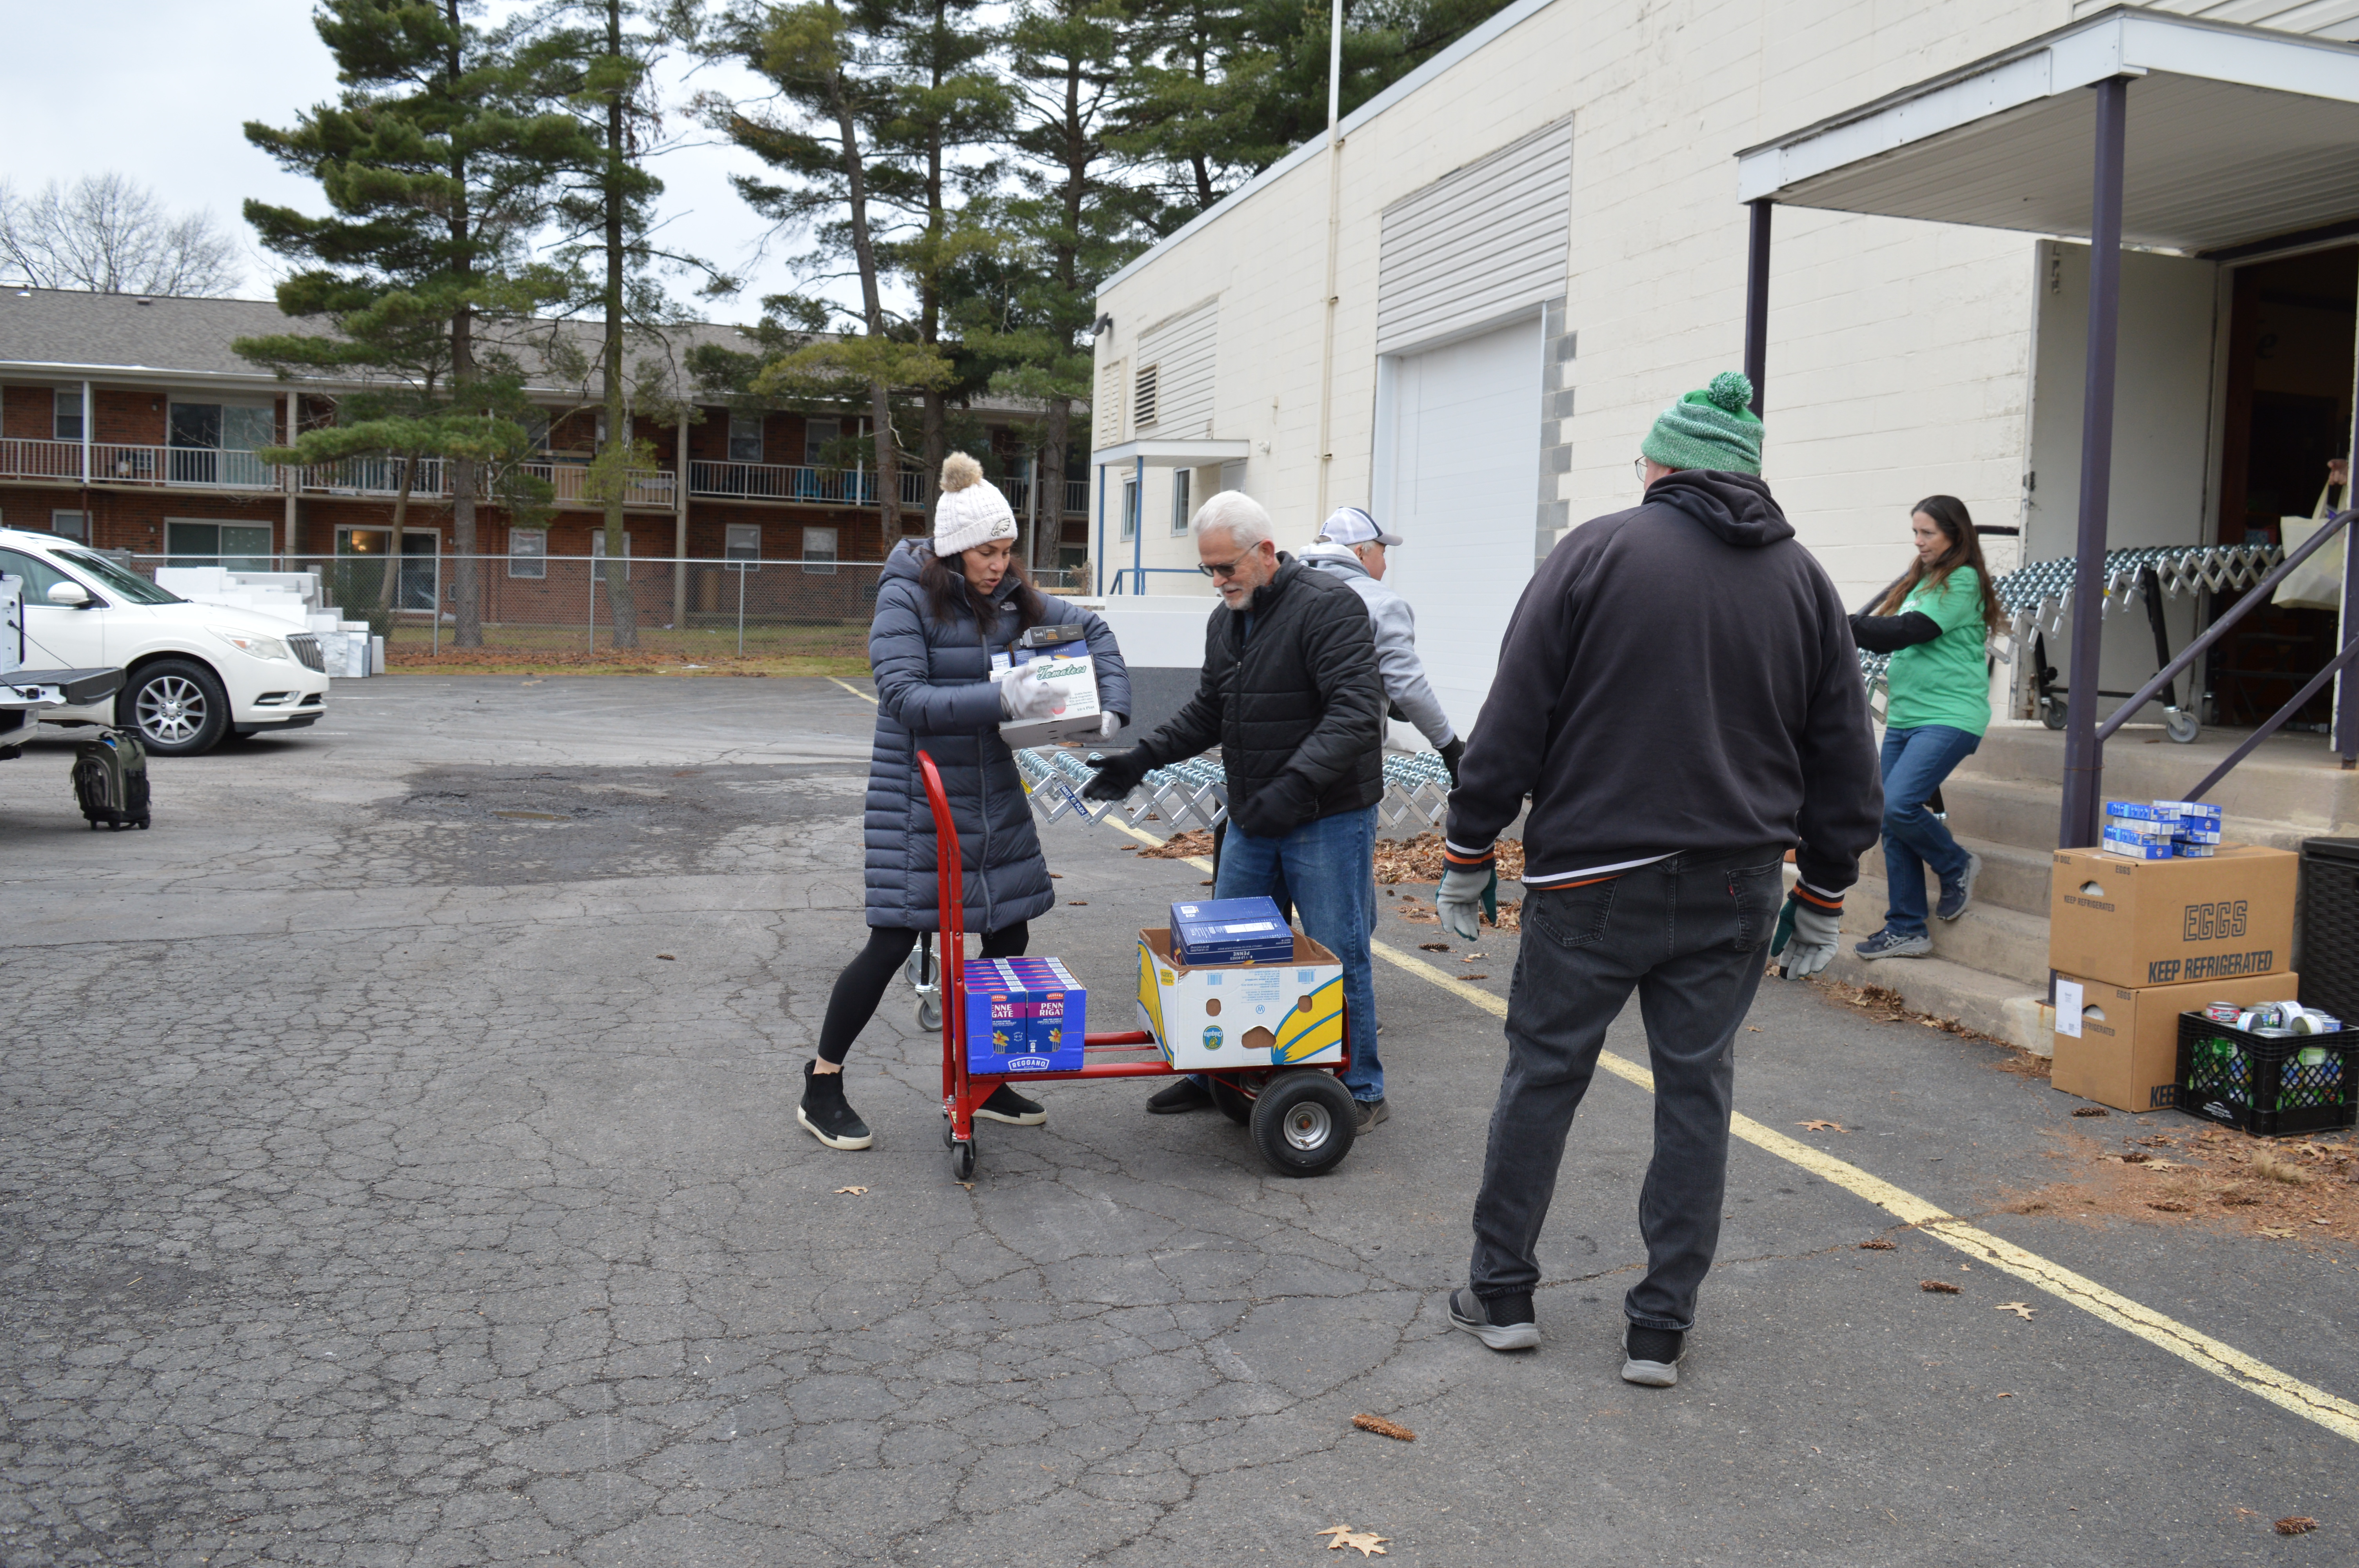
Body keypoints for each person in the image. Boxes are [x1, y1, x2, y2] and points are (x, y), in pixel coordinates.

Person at [1434, 371, 1880, 1386]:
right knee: (1696, 1096)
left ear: (1667, 464)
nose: (1637, 469)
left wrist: (1471, 846)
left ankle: (1501, 1294)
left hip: (1593, 877)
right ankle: (1660, 1327)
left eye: (1643, 457)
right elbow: (1842, 750)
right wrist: (1826, 884)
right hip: (1734, 884)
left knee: (1543, 1079)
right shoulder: (1804, 580)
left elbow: (1515, 715)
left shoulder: (1595, 552)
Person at [797, 453, 1131, 1151]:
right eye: (987, 552)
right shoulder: (905, 597)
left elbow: (1093, 632)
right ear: (954, 549)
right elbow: (904, 697)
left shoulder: (1011, 596)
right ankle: (822, 1083)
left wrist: (1108, 712)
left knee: (1007, 930)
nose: (1000, 566)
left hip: (990, 793)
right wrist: (1002, 696)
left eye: (1008, 552)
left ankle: (988, 1079)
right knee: (893, 938)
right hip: (919, 797)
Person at [1081, 490, 1390, 1128]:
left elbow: (1355, 713)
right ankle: (1215, 1071)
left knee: (1338, 953)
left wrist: (1295, 783)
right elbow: (1208, 711)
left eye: (1228, 568)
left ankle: (1360, 1089)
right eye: (1209, 570)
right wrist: (1141, 757)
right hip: (1254, 816)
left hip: (1327, 817)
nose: (1218, 581)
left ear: (1267, 553)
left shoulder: (1330, 608)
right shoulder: (1226, 621)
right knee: (1224, 954)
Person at [1846, 496, 2002, 960]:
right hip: (1908, 718)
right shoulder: (1924, 579)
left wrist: (1836, 623)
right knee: (1889, 819)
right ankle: (1907, 927)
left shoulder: (1963, 579)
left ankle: (1956, 864)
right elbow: (1894, 626)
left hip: (1950, 715)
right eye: (1915, 533)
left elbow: (1907, 631)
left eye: (1927, 533)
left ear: (1955, 534)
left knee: (1898, 805)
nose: (1918, 542)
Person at [1299, 507, 1463, 779]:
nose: (1386, 565)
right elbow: (1408, 687)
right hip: (1346, 770)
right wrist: (1450, 747)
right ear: (1360, 553)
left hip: (1281, 764)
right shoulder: (1381, 604)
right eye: (1382, 553)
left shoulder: (1285, 591)